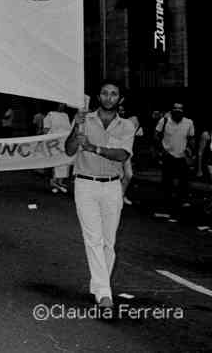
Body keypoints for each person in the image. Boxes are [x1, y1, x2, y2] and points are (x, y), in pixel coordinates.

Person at [65, 81, 134, 308]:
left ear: (120, 98)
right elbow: (69, 149)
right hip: (86, 184)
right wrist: (77, 127)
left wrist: (94, 148)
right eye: (105, 93)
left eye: (114, 94)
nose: (109, 97)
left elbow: (122, 155)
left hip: (112, 186)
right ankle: (105, 293)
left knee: (108, 242)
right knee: (93, 239)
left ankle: (98, 284)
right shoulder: (85, 119)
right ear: (99, 96)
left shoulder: (126, 125)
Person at [155, 102, 195, 213]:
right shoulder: (164, 121)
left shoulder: (189, 122)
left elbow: (191, 138)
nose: (178, 111)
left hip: (182, 156)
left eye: (180, 109)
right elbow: (156, 136)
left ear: (183, 111)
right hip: (168, 155)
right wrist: (162, 151)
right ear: (172, 110)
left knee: (184, 180)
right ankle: (167, 202)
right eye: (175, 109)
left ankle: (182, 200)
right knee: (167, 180)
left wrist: (190, 152)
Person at [43, 103, 72, 194]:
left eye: (63, 105)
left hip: (64, 142)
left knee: (65, 163)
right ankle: (54, 183)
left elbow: (69, 128)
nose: (62, 106)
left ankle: (60, 182)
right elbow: (46, 130)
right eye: (60, 104)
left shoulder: (65, 115)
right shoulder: (50, 115)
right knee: (56, 164)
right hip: (54, 143)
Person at [118, 102, 142, 205]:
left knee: (129, 175)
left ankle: (121, 195)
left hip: (126, 153)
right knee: (119, 175)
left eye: (122, 110)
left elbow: (136, 134)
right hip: (114, 153)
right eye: (119, 110)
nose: (121, 112)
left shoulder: (130, 121)